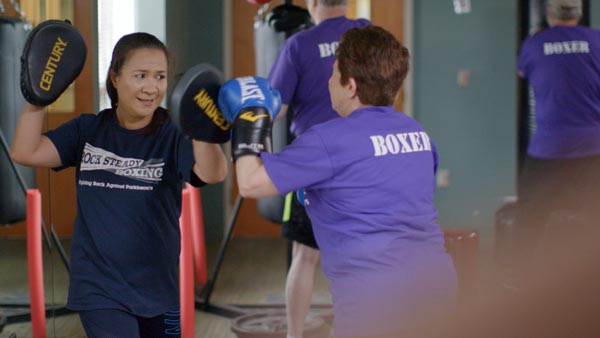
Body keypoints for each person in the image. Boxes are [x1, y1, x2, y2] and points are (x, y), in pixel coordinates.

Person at [219, 26, 457, 338]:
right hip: (439, 287)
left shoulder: (328, 140)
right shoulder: (418, 133)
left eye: (333, 73)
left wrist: (250, 118)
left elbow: (251, 183)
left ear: (351, 86)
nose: (328, 82)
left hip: (374, 302)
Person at [10, 32, 228, 337]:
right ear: (114, 77)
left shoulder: (173, 134)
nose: (151, 87)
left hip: (160, 289)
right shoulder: (87, 130)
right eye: (140, 75)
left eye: (160, 77)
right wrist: (38, 97)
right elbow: (25, 151)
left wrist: (206, 129)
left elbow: (213, 173)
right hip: (99, 287)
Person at [267, 1, 369, 336]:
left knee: (305, 256)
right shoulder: (366, 33)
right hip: (362, 161)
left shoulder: (299, 44)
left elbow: (275, 109)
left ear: (312, 3)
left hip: (312, 163)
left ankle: (295, 335)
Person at [515, 0, 600, 280]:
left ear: (550, 13)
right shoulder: (596, 40)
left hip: (549, 150)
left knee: (529, 219)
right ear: (579, 12)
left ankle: (519, 281)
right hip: (593, 148)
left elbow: (521, 72)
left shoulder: (534, 44)